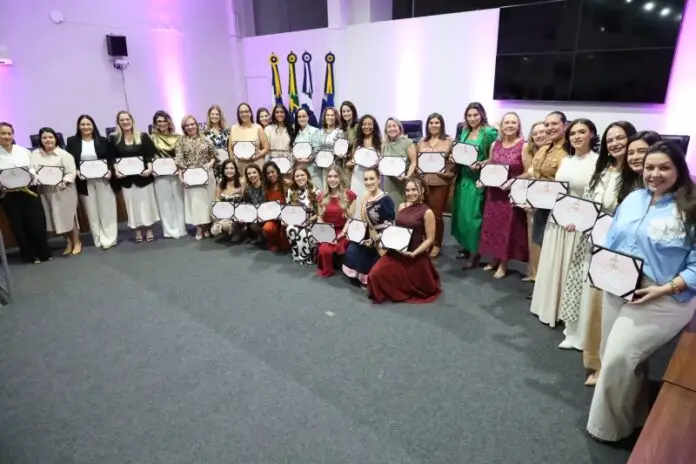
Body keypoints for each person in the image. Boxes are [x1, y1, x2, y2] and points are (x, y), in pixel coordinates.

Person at [587, 141, 696, 443]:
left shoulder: (691, 206)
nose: (654, 174)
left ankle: (607, 430)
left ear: (679, 169)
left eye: (664, 167)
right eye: (650, 167)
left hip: (664, 295)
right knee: (616, 356)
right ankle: (636, 416)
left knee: (619, 358)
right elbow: (612, 238)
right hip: (619, 285)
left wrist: (665, 289)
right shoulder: (634, 198)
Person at [556, 121, 636, 361]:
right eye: (610, 139)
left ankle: (598, 344)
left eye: (620, 138)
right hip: (590, 238)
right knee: (582, 285)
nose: (615, 143)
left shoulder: (637, 176)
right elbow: (588, 203)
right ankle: (576, 334)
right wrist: (575, 219)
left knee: (604, 294)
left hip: (617, 245)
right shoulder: (602, 170)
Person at [530, 118, 599, 325]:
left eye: (582, 132)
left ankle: (566, 313)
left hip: (578, 224)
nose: (577, 136)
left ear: (591, 134)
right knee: (553, 264)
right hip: (557, 219)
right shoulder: (566, 160)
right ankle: (548, 308)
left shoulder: (597, 162)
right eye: (573, 133)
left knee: (570, 267)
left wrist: (580, 219)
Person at [367, 176, 441, 303]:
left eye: (414, 190)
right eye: (407, 190)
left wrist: (414, 253)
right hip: (397, 250)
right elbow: (395, 228)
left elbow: (430, 239)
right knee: (374, 275)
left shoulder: (427, 212)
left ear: (422, 190)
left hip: (414, 253)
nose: (410, 193)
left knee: (421, 288)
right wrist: (379, 239)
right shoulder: (402, 206)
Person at [477, 112, 528, 278]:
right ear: (502, 125)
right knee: (493, 227)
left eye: (513, 122)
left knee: (507, 229)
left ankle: (504, 263)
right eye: (507, 122)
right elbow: (491, 164)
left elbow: (529, 171)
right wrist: (482, 173)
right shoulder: (495, 144)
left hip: (511, 193)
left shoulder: (524, 146)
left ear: (518, 126)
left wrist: (513, 181)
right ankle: (494, 258)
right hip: (494, 192)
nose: (510, 125)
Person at [451, 102, 498, 268]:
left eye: (475, 115)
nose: (472, 119)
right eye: (469, 115)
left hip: (477, 180)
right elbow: (460, 152)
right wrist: (454, 157)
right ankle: (466, 246)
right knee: (462, 217)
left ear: (482, 115)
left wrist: (481, 164)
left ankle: (475, 253)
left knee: (474, 219)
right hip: (463, 178)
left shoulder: (489, 132)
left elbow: (495, 157)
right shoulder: (465, 131)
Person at [0, 122, 52, 263]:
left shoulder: (23, 151)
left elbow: (33, 168)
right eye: (3, 133)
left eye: (9, 133)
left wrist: (33, 175)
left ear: (13, 135)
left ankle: (44, 253)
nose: (6, 136)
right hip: (9, 195)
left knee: (37, 224)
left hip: (29, 192)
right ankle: (30, 255)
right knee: (19, 227)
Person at [66, 115, 118, 250]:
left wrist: (110, 170)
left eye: (88, 124)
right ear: (78, 126)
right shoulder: (72, 141)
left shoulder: (103, 141)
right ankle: (98, 238)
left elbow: (111, 158)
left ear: (93, 126)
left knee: (107, 210)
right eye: (83, 124)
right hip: (85, 182)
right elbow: (70, 161)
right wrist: (76, 171)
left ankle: (109, 238)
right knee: (92, 212)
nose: (86, 127)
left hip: (103, 180)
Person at [110, 110, 159, 243]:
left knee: (146, 205)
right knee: (132, 206)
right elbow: (113, 157)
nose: (125, 122)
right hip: (126, 179)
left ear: (132, 120)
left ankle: (149, 229)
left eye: (127, 119)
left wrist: (150, 168)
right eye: (122, 120)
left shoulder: (142, 136)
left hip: (143, 177)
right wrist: (116, 171)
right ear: (118, 123)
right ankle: (137, 230)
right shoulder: (114, 138)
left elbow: (149, 154)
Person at [342, 167, 395, 288]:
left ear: (379, 180)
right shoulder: (367, 196)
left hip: (380, 240)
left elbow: (389, 227)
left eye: (372, 179)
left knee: (365, 256)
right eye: (366, 179)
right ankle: (357, 273)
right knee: (352, 249)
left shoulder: (386, 200)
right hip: (368, 235)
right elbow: (364, 221)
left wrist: (374, 239)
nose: (368, 182)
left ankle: (367, 276)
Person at [31, 127, 81, 256]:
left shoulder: (64, 155)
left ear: (56, 139)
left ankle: (76, 242)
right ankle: (68, 241)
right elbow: (32, 170)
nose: (48, 140)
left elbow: (71, 172)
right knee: (55, 218)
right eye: (44, 137)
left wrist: (64, 182)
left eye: (50, 137)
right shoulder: (35, 154)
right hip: (45, 191)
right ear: (40, 140)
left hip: (63, 190)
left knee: (69, 217)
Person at [175, 115, 217, 240]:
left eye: (192, 124)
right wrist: (180, 177)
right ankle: (199, 227)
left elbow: (214, 155)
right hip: (190, 176)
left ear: (196, 125)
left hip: (206, 174)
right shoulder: (180, 141)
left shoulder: (205, 139)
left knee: (207, 202)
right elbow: (179, 161)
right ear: (184, 127)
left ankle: (207, 225)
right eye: (187, 125)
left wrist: (210, 164)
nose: (190, 127)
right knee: (195, 203)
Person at [419, 113, 454, 258]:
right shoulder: (422, 142)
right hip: (424, 183)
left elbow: (454, 162)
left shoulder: (449, 141)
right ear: (427, 125)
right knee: (424, 214)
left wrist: (448, 172)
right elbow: (418, 162)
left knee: (437, 215)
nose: (434, 125)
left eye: (437, 123)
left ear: (441, 125)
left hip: (440, 182)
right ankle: (427, 241)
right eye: (431, 123)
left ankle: (437, 244)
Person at [150, 110, 186, 239]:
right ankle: (169, 230)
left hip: (176, 174)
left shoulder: (178, 137)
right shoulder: (152, 138)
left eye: (164, 121)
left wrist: (180, 169)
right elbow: (149, 157)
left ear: (169, 122)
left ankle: (181, 229)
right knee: (164, 203)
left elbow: (182, 156)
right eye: (159, 121)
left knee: (179, 201)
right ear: (155, 124)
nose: (162, 123)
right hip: (160, 175)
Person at [315, 165, 356, 277]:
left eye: (335, 176)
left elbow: (350, 218)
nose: (332, 179)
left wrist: (343, 233)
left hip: (343, 231)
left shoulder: (349, 195)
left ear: (340, 178)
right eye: (330, 176)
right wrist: (325, 234)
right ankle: (329, 267)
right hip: (327, 231)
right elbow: (320, 217)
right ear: (326, 179)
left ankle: (339, 262)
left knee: (343, 248)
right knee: (325, 250)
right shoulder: (321, 196)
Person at [520, 121, 546, 281]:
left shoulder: (558, 154)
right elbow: (528, 174)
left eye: (542, 132)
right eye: (535, 133)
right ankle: (533, 272)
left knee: (543, 239)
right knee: (532, 237)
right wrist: (514, 181)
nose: (539, 135)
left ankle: (542, 276)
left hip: (545, 202)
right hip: (530, 199)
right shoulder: (532, 152)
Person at [347, 115, 381, 209]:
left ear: (374, 126)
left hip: (373, 177)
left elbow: (383, 162)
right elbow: (352, 161)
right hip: (358, 176)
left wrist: (378, 164)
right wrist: (350, 164)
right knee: (357, 202)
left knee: (371, 204)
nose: (367, 127)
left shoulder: (380, 142)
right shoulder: (357, 141)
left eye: (370, 124)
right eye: (364, 124)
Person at [285, 167, 318, 264]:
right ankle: (298, 255)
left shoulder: (315, 190)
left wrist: (309, 220)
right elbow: (289, 209)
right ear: (294, 178)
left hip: (312, 220)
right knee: (290, 229)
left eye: (302, 175)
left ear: (307, 176)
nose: (300, 178)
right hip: (297, 220)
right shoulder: (291, 190)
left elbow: (320, 212)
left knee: (305, 233)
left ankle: (310, 257)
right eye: (297, 176)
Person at [381, 117, 417, 206]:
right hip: (387, 181)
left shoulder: (408, 142)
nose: (392, 128)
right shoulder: (384, 144)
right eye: (389, 127)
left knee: (401, 207)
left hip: (402, 181)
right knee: (388, 207)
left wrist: (408, 176)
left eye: (394, 126)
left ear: (399, 128)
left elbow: (413, 163)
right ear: (386, 130)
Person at [228, 102, 269, 173]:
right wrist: (233, 163)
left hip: (256, 164)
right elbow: (230, 148)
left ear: (251, 113)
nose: (244, 114)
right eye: (241, 112)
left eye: (246, 111)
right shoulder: (233, 128)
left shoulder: (258, 128)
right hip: (239, 165)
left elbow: (266, 148)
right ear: (238, 114)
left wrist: (259, 155)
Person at [211, 159, 243, 240]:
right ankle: (227, 228)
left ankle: (238, 231)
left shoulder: (241, 181)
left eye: (232, 168)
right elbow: (217, 199)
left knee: (226, 226)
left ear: (236, 170)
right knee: (215, 229)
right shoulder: (221, 182)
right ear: (223, 170)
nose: (229, 170)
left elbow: (246, 200)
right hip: (225, 213)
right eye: (226, 168)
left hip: (239, 214)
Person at [261, 161, 288, 252]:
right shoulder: (266, 189)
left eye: (272, 172)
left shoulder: (286, 185)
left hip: (286, 218)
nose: (270, 175)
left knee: (284, 247)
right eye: (268, 173)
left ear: (277, 172)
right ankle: (272, 242)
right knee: (268, 228)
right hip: (273, 219)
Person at [314, 107, 344, 190]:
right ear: (324, 117)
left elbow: (341, 151)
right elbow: (315, 149)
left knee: (336, 190)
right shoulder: (320, 132)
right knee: (325, 189)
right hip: (321, 167)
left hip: (335, 166)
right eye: (328, 115)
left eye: (332, 115)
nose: (330, 117)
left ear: (336, 117)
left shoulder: (339, 132)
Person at [242, 164, 265, 242]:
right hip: (255, 216)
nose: (252, 175)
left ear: (259, 174)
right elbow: (248, 206)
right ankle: (260, 234)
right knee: (253, 226)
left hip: (268, 214)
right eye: (249, 173)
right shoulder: (247, 190)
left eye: (254, 172)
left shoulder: (266, 186)